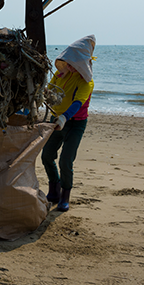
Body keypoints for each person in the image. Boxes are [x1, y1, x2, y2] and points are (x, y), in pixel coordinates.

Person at [42, 35, 96, 212]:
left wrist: (64, 118)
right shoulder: (60, 75)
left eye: (73, 63)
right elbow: (49, 91)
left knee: (66, 160)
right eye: (68, 62)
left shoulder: (86, 82)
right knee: (47, 155)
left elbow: (77, 103)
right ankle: (54, 189)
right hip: (55, 120)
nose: (69, 66)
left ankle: (65, 196)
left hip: (75, 124)